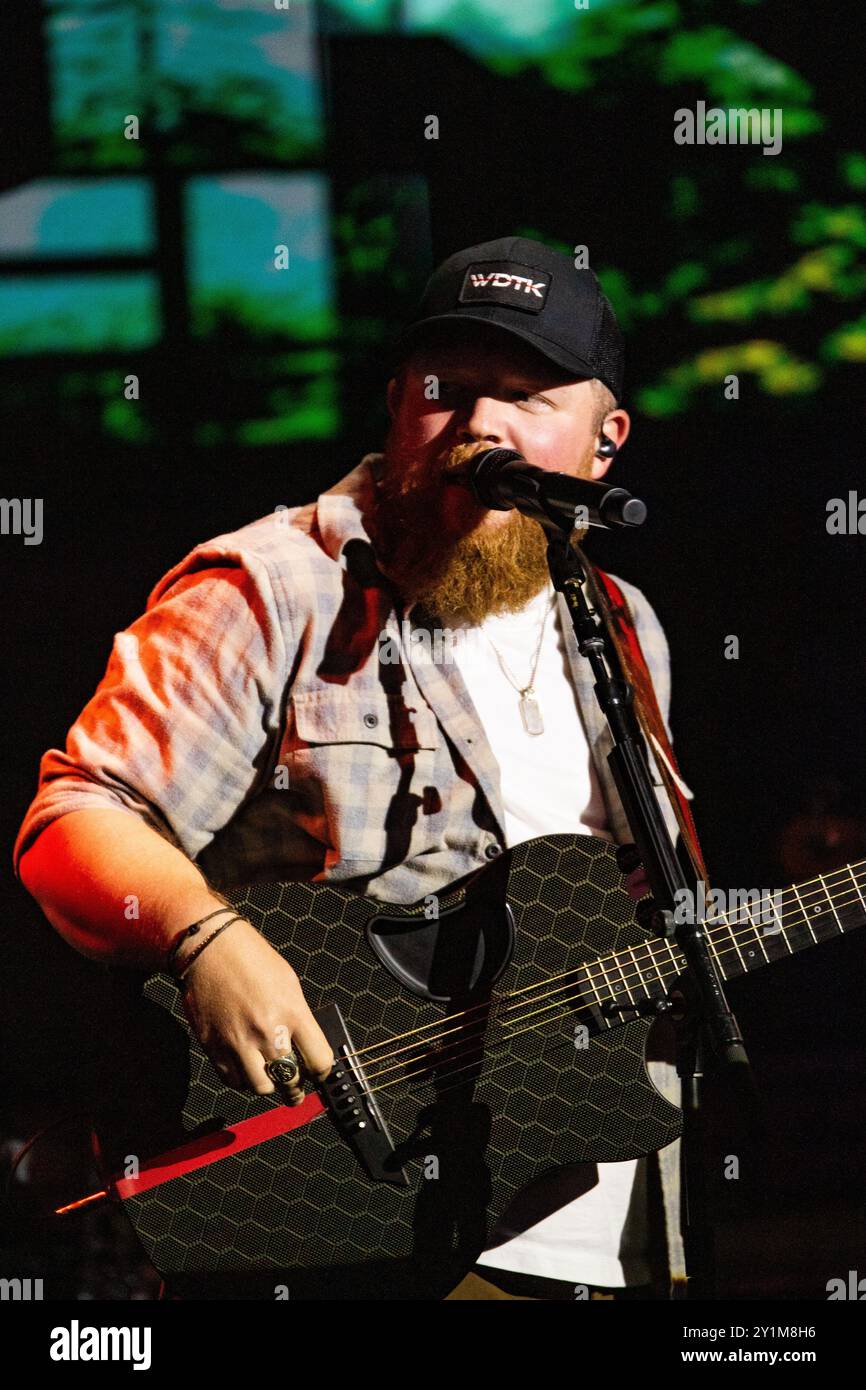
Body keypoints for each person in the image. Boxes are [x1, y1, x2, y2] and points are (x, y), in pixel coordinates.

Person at [14, 236, 691, 1301]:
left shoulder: (620, 626)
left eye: (524, 395)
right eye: (447, 390)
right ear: (394, 403)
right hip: (368, 1224)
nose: (480, 425)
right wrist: (203, 938)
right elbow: (73, 813)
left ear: (603, 444)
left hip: (611, 1222)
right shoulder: (273, 588)